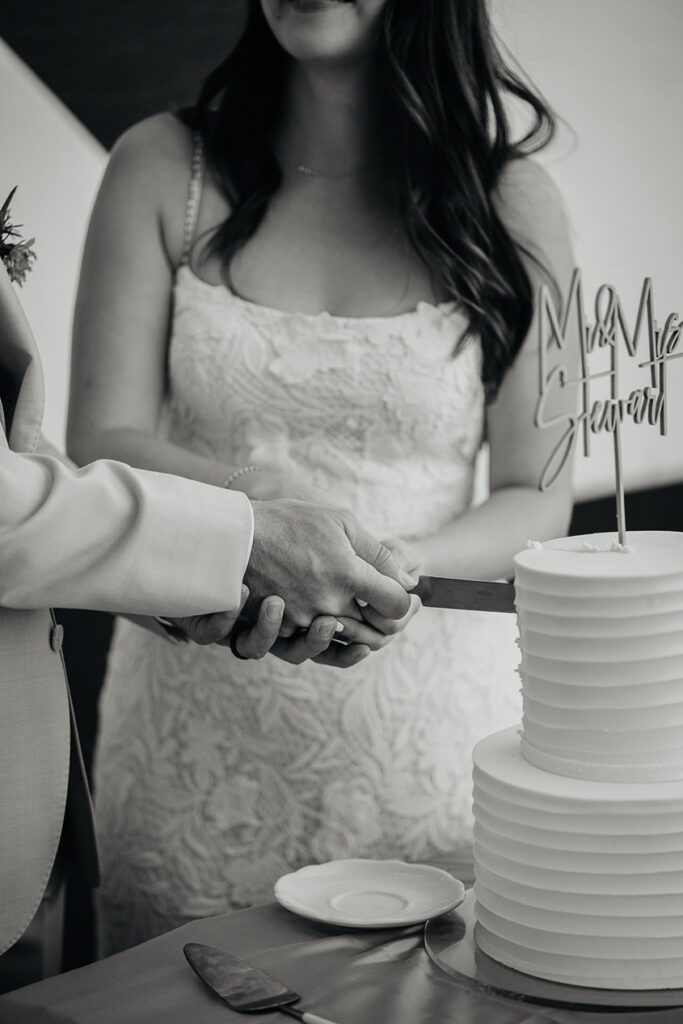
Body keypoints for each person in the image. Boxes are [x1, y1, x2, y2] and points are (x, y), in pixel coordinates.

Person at [68, 0, 577, 954]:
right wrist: (259, 521)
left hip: (424, 748)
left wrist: (379, 570)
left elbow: (536, 492)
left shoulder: (513, 202)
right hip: (194, 733)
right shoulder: (162, 166)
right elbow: (104, 438)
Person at [0, 260, 414, 990]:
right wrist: (243, 541)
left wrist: (210, 582)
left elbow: (25, 462)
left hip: (29, 797)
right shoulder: (162, 166)